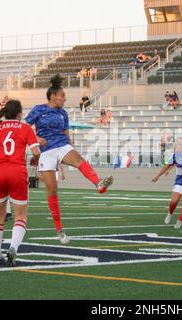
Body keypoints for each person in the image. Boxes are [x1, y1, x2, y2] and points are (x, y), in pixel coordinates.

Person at [25, 74, 114, 244]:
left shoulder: (63, 113)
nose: (65, 99)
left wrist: (71, 147)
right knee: (52, 190)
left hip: (62, 145)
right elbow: (24, 128)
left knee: (80, 160)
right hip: (46, 152)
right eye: (62, 96)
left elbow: (66, 134)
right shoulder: (38, 109)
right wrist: (36, 139)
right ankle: (59, 229)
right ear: (53, 97)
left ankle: (98, 184)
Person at [0, 100, 41, 267]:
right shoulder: (25, 128)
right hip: (17, 171)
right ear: (19, 114)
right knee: (20, 216)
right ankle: (13, 248)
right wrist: (34, 160)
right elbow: (36, 152)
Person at [152, 135, 182, 229]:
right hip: (179, 181)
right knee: (174, 201)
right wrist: (157, 176)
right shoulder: (176, 154)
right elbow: (167, 166)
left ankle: (179, 221)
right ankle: (170, 213)